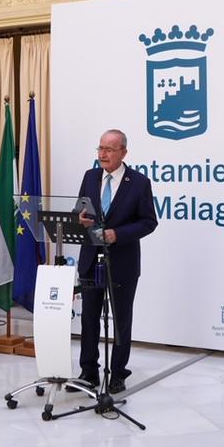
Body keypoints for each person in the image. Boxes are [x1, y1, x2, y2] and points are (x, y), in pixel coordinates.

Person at [74, 129, 158, 394]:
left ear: (123, 152)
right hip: (91, 257)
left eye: (109, 149)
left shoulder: (139, 182)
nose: (103, 154)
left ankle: (118, 373)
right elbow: (80, 209)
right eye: (100, 148)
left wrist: (117, 234)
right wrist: (81, 219)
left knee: (121, 319)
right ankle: (89, 372)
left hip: (122, 261)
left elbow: (148, 222)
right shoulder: (90, 176)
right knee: (89, 318)